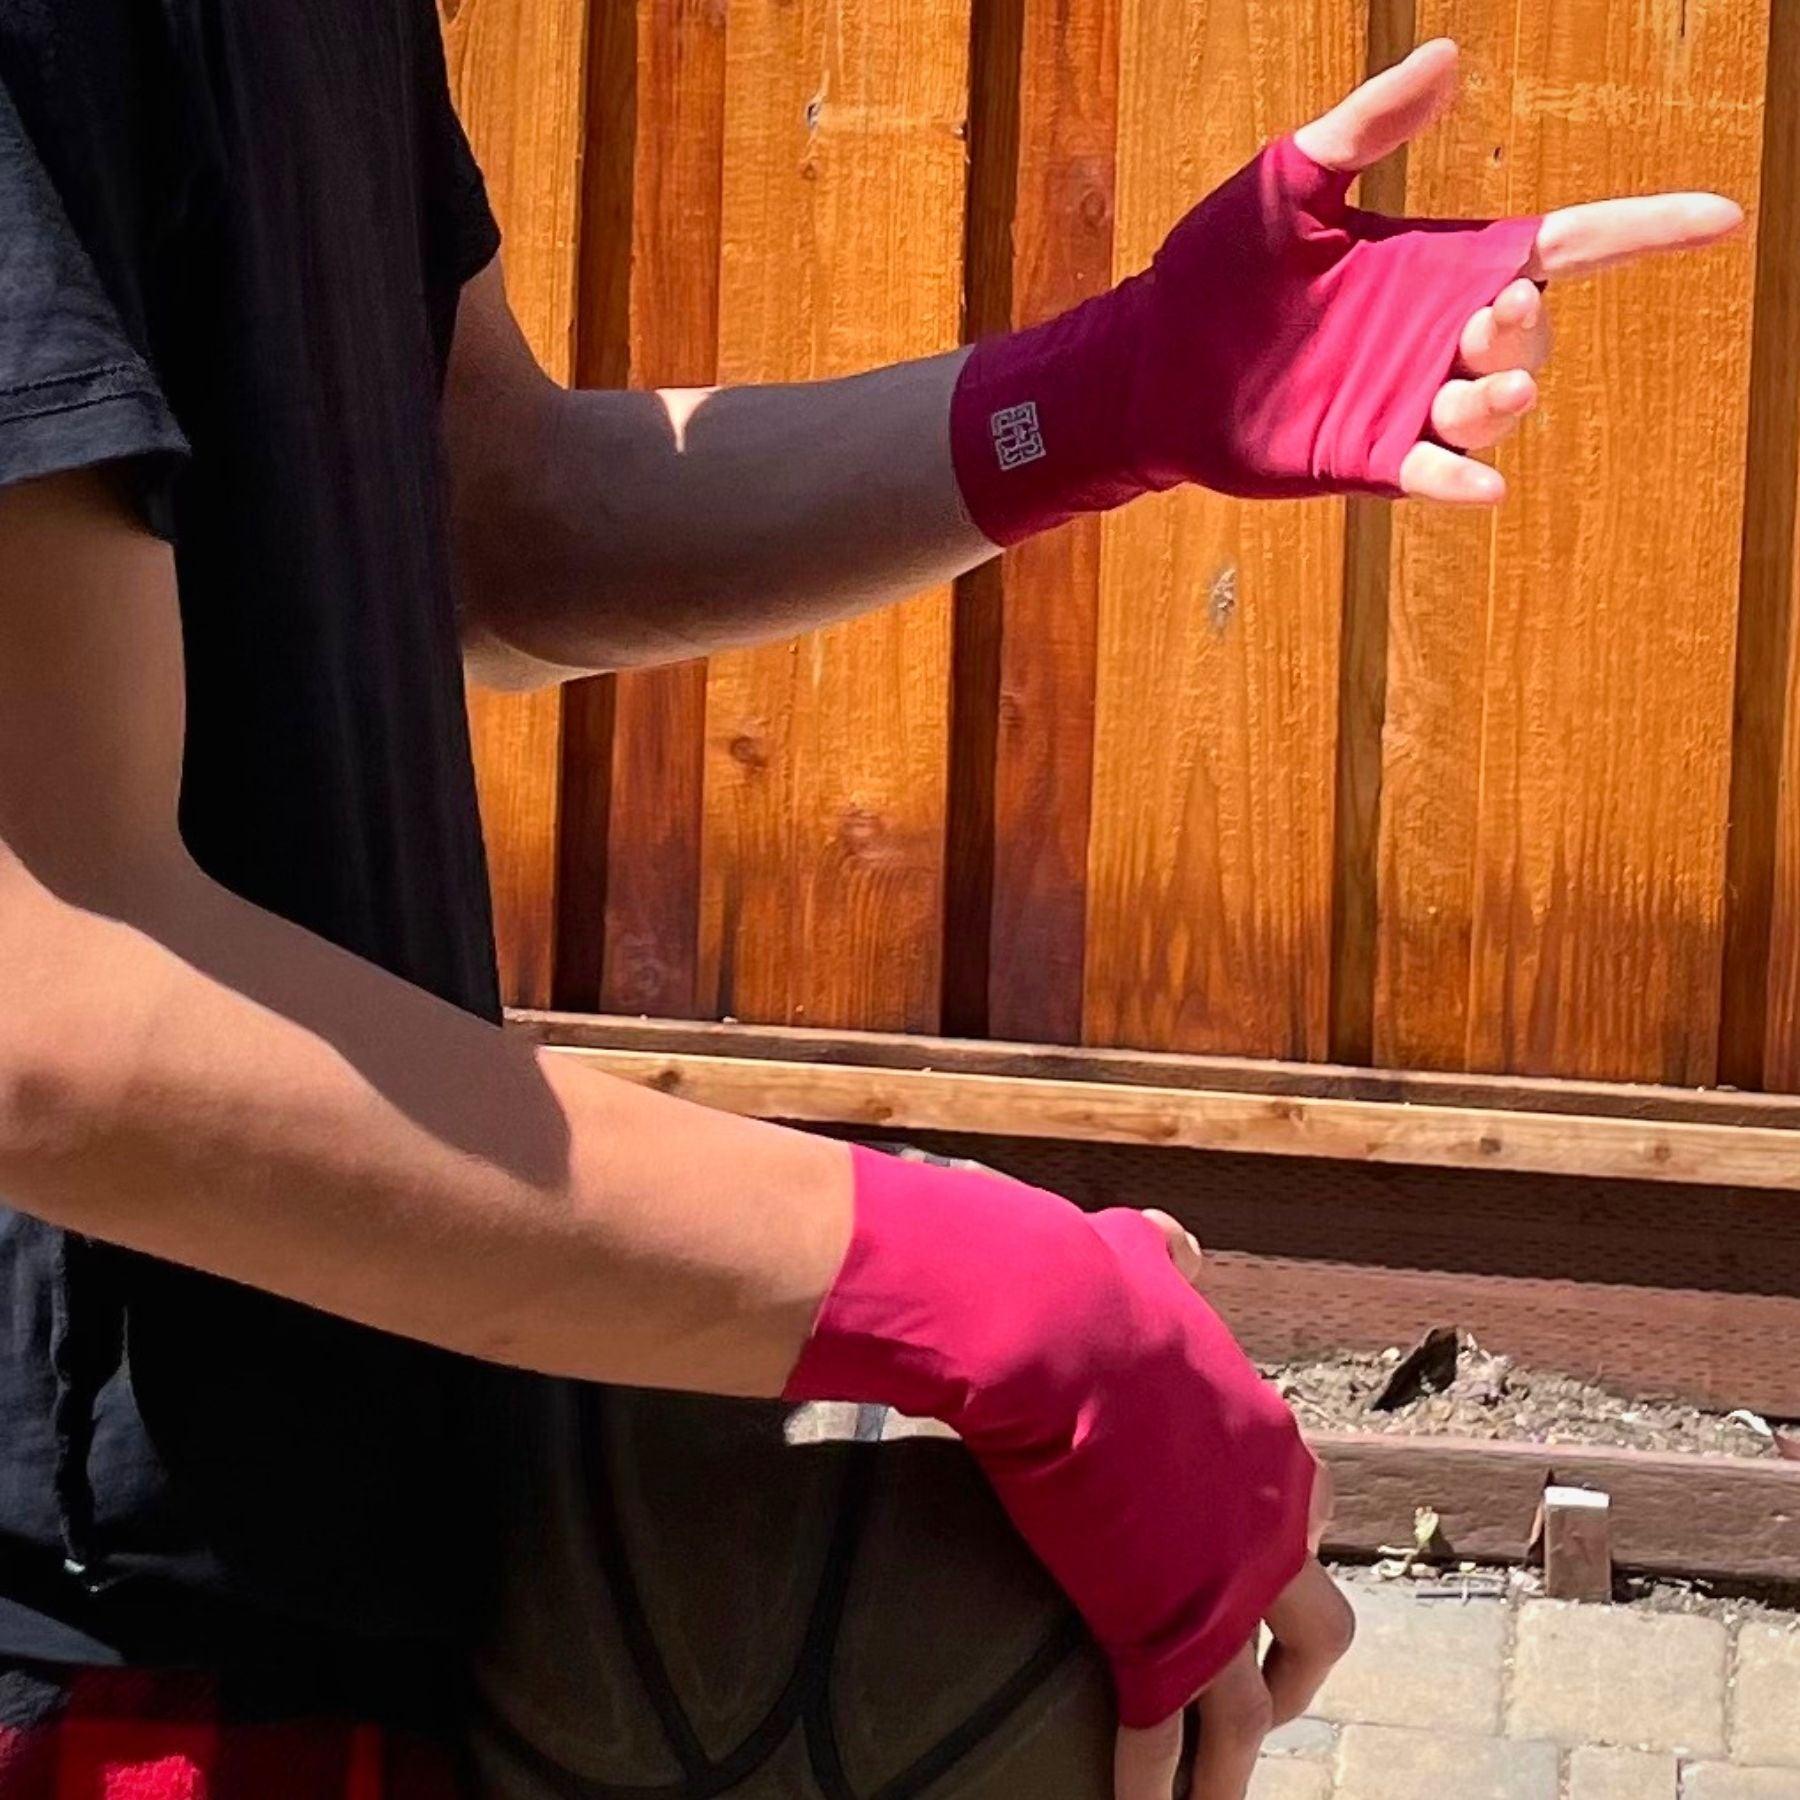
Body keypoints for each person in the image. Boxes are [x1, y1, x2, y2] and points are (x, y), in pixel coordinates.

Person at [0, 3, 1737, 1794]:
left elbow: (479, 509)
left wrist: (1122, 386)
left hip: (374, 1545)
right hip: (77, 1658)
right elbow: (36, 995)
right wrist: (1003, 1306)